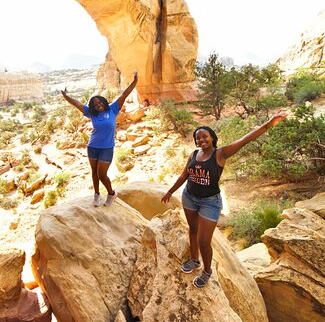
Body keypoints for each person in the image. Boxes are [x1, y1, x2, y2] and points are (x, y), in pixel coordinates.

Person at [161, 111, 288, 288]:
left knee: (204, 241)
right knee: (193, 229)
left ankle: (207, 271)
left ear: (212, 138)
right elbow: (184, 175)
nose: (201, 140)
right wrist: (170, 192)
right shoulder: (193, 154)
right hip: (189, 197)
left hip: (209, 202)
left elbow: (245, 140)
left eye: (204, 136)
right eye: (198, 138)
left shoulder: (220, 154)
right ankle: (194, 260)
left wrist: (268, 124)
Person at [61, 71, 138, 207]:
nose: (98, 106)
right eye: (95, 105)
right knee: (94, 173)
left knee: (102, 174)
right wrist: (66, 96)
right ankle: (96, 194)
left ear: (103, 101)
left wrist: (135, 81)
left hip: (107, 148)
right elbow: (77, 104)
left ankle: (111, 193)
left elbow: (124, 95)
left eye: (99, 103)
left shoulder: (113, 109)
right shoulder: (92, 113)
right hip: (93, 146)